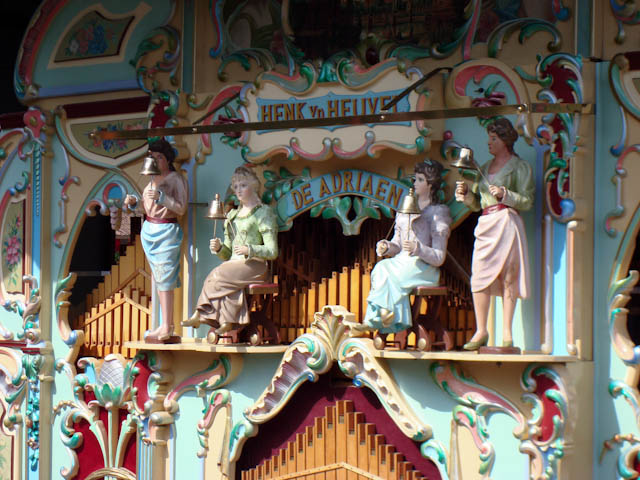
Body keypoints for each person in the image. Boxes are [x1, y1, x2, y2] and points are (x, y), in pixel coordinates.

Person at [454, 118, 534, 350]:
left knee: (509, 275)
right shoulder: (485, 166)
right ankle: (481, 330)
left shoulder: (520, 167)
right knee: (478, 276)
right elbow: (477, 204)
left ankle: (507, 334)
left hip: (507, 221)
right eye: (489, 138)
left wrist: (505, 194)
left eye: (493, 138)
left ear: (504, 140)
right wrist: (467, 195)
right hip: (487, 221)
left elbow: (527, 200)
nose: (489, 142)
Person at [183, 166, 278, 335]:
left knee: (218, 273)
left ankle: (201, 313)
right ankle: (227, 321)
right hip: (234, 266)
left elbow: (272, 251)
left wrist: (249, 249)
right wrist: (219, 248)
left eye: (243, 185)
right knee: (225, 274)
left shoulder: (263, 213)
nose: (238, 190)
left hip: (255, 266)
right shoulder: (232, 216)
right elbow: (227, 254)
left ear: (254, 186)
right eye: (236, 187)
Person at [362, 159, 451, 333]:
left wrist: (419, 248)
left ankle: (387, 317)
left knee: (394, 274)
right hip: (402, 262)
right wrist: (387, 247)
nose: (415, 183)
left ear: (431, 184)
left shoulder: (438, 212)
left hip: (423, 267)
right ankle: (380, 315)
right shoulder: (405, 209)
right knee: (380, 267)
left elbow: (440, 257)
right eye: (415, 179)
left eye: (420, 180)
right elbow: (397, 243)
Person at [124, 139, 188, 342]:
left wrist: (162, 198)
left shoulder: (176, 179)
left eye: (159, 157)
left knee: (165, 278)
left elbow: (181, 207)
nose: (155, 160)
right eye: (152, 156)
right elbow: (146, 208)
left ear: (167, 160)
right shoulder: (151, 180)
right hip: (149, 229)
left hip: (166, 229)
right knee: (157, 278)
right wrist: (134, 205)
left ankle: (168, 326)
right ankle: (161, 324)